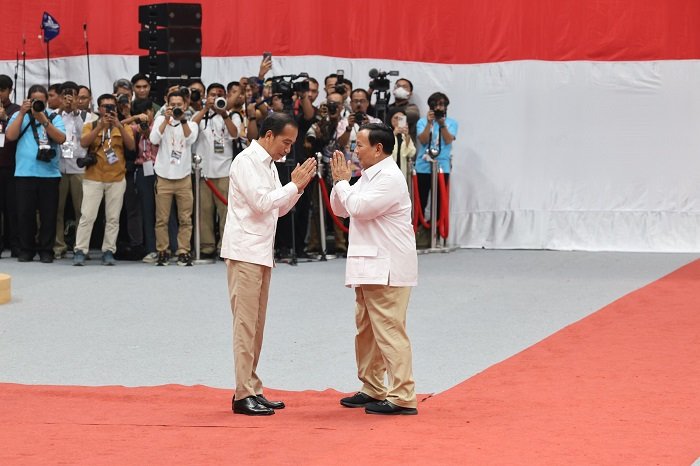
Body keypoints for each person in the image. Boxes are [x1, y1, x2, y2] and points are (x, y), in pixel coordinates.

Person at [221, 112, 316, 416]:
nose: (288, 149)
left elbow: (279, 209)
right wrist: (292, 186)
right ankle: (242, 393)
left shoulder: (269, 165)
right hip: (245, 252)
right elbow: (262, 203)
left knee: (256, 326)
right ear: (269, 135)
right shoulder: (246, 161)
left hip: (261, 252)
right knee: (245, 326)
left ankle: (252, 387)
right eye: (286, 142)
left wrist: (297, 188)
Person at [330, 122, 418, 415]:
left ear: (378, 149)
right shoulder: (368, 176)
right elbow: (341, 209)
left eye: (359, 145)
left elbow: (359, 209)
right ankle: (373, 386)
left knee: (390, 330)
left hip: (388, 266)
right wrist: (339, 182)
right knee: (366, 330)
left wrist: (343, 183)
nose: (354, 151)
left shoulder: (389, 177)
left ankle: (403, 394)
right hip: (369, 265)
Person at [5, 84, 66, 262]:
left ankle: (46, 250)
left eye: (41, 100)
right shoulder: (18, 115)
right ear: (27, 100)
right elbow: (10, 136)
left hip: (50, 174)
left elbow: (61, 138)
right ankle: (26, 249)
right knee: (25, 214)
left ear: (46, 101)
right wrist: (23, 113)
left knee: (49, 215)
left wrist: (43, 120)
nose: (37, 103)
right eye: (34, 100)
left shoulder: (53, 117)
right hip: (24, 173)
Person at [73, 93, 135, 266]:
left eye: (111, 106)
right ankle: (80, 250)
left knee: (113, 218)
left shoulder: (123, 126)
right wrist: (100, 127)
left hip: (116, 177)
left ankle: (109, 250)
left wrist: (119, 126)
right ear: (99, 108)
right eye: (105, 106)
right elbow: (84, 143)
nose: (108, 110)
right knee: (87, 216)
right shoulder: (91, 124)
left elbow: (131, 146)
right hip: (94, 177)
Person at [149, 90, 199, 266]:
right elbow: (154, 139)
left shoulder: (192, 123)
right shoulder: (160, 120)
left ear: (185, 105)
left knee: (186, 218)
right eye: (173, 105)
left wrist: (182, 119)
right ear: (167, 105)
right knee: (161, 218)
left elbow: (190, 139)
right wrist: (166, 120)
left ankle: (183, 251)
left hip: (183, 176)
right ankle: (162, 250)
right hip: (164, 176)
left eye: (179, 105)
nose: (177, 108)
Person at [415, 92, 458, 225]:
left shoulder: (452, 123)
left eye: (441, 104)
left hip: (442, 167)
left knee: (440, 201)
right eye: (435, 104)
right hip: (423, 166)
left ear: (446, 106)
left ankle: (437, 230)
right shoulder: (422, 122)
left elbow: (449, 139)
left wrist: (442, 124)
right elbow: (422, 140)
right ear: (430, 106)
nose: (438, 107)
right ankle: (420, 230)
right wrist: (429, 123)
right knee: (421, 199)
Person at [54, 81, 86, 259]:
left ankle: (79, 246)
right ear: (60, 97)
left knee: (80, 210)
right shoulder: (54, 114)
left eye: (72, 95)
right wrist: (61, 110)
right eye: (65, 95)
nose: (69, 99)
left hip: (77, 168)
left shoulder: (84, 115)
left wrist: (75, 112)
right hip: (58, 167)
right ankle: (59, 245)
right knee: (57, 209)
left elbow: (84, 138)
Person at [0, 74, 21, 258]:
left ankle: (15, 244)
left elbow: (17, 135)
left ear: (10, 91)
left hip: (12, 165)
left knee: (13, 208)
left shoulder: (17, 111)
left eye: (2, 90)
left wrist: (5, 118)